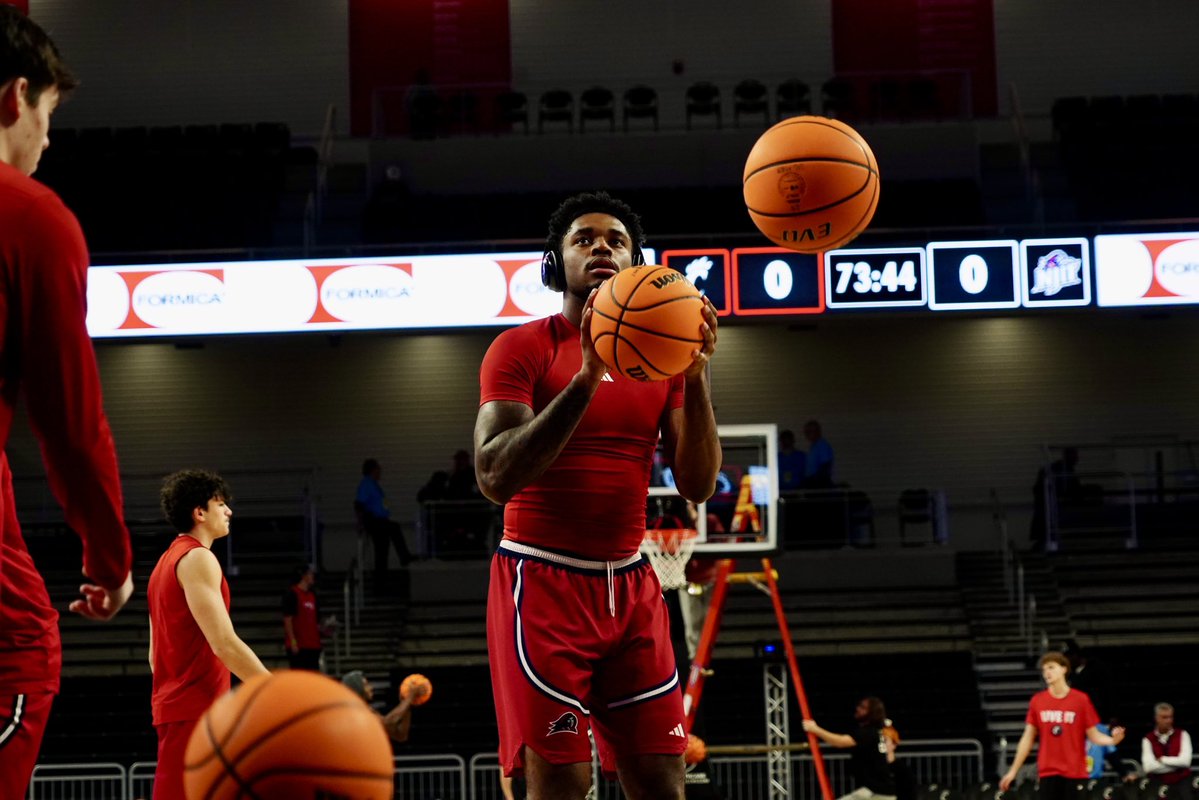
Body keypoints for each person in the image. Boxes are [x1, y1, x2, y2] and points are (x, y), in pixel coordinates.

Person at [475, 190, 720, 800]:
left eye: (617, 240)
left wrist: (696, 376)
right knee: (561, 784)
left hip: (633, 585)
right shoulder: (523, 347)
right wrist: (588, 377)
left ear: (637, 264)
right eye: (584, 239)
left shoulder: (662, 363)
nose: (602, 247)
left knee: (664, 780)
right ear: (556, 263)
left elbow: (697, 485)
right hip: (542, 582)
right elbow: (493, 476)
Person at [0, 9, 135, 796]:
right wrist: (109, 559)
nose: (47, 140)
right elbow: (71, 427)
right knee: (24, 643)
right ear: (15, 97)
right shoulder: (30, 214)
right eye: (46, 117)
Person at [148, 470, 270, 799]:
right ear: (199, 513)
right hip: (195, 710)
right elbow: (224, 643)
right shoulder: (198, 558)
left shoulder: (162, 565)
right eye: (221, 504)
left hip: (178, 709)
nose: (229, 510)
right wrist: (274, 689)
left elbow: (153, 656)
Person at [998, 652, 1124, 800]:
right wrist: (1013, 771)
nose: (1047, 672)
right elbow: (1027, 738)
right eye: (1044, 669)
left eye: (1051, 667)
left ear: (1064, 669)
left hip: (1075, 772)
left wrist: (1112, 741)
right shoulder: (1037, 701)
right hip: (1048, 773)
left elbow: (1093, 734)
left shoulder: (1080, 700)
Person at [803, 697, 898, 800]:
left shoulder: (869, 732)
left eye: (863, 707)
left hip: (877, 793)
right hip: (879, 791)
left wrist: (815, 729)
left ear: (872, 713)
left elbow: (840, 742)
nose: (858, 709)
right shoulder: (875, 731)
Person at [355, 458, 415, 583]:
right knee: (394, 528)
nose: (380, 472)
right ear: (373, 470)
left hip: (380, 519)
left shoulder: (374, 484)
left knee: (382, 550)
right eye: (378, 469)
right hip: (374, 520)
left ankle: (381, 582)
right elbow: (359, 504)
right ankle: (404, 556)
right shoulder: (367, 483)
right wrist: (360, 523)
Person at [340, 670, 427, 744]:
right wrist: (409, 698)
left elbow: (401, 735)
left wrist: (406, 704)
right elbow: (388, 722)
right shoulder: (354, 711)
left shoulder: (369, 710)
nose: (371, 687)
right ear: (358, 689)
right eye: (366, 685)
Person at [1030, 447, 1081, 548]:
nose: (1077, 459)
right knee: (1047, 536)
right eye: (1075, 457)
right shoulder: (1061, 471)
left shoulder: (1060, 469)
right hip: (1053, 509)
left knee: (1045, 537)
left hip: (1049, 509)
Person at [1141, 703, 1193, 800]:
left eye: (1170, 717)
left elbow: (1185, 762)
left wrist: (1163, 759)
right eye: (1164, 717)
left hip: (1181, 783)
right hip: (1157, 784)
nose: (1168, 721)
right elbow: (1148, 767)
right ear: (1156, 718)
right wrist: (1176, 765)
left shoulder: (1183, 734)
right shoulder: (1147, 739)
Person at [281, 564, 323, 671]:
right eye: (310, 574)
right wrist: (293, 641)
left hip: (313, 645)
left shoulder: (313, 595)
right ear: (303, 576)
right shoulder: (292, 594)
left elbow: (315, 620)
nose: (312, 576)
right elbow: (288, 620)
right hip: (299, 646)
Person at [801, 420, 834, 488]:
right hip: (811, 482)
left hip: (818, 483)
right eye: (806, 432)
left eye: (809, 431)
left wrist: (815, 482)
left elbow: (825, 465)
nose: (807, 434)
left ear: (818, 432)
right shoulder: (813, 446)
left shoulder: (822, 445)